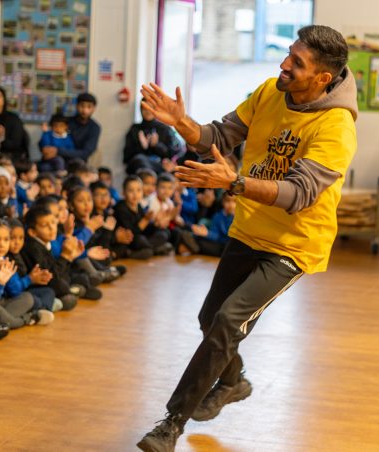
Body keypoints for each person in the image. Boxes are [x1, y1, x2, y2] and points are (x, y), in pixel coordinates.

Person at [136, 25, 358, 451]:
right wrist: (181, 121)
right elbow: (219, 138)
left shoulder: (336, 128)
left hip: (293, 245)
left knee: (227, 320)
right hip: (250, 229)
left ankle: (170, 425)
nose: (284, 64)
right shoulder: (269, 92)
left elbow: (298, 194)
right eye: (288, 54)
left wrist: (234, 183)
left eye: (297, 63)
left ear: (322, 79)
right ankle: (234, 381)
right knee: (210, 319)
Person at [123, 100, 184, 176]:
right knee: (140, 160)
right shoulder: (135, 129)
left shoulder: (164, 129)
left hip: (161, 168)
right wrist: (142, 147)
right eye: (145, 108)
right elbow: (126, 157)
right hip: (139, 168)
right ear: (141, 110)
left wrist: (157, 145)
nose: (148, 111)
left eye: (151, 108)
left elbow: (174, 153)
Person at [58, 93, 101, 162]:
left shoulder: (95, 128)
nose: (85, 110)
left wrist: (59, 151)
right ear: (77, 106)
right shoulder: (66, 122)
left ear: (94, 109)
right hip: (59, 160)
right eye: (82, 106)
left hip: (79, 163)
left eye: (89, 107)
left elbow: (86, 153)